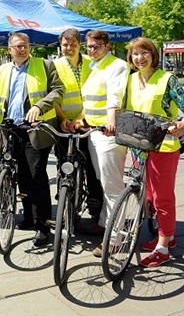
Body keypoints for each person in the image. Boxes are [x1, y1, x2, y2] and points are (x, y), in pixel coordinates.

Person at [0, 32, 64, 247]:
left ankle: (43, 225)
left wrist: (38, 106)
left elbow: (58, 90)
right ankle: (28, 216)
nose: (22, 49)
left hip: (36, 129)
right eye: (17, 46)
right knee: (20, 177)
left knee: (36, 175)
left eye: (25, 45)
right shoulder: (3, 70)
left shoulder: (44, 65)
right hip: (10, 129)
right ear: (9, 50)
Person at [125, 37, 184, 267]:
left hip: (164, 147)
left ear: (153, 54)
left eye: (144, 52)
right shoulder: (130, 80)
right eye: (135, 54)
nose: (139, 58)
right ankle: (168, 236)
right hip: (139, 146)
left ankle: (163, 247)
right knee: (148, 196)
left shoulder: (167, 79)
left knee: (162, 198)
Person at [70, 30, 130, 257]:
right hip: (93, 131)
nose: (91, 50)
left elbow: (114, 96)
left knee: (113, 186)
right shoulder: (93, 66)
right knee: (103, 182)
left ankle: (115, 239)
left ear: (107, 46)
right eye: (89, 47)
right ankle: (105, 223)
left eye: (96, 46)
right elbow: (91, 99)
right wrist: (82, 120)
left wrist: (111, 121)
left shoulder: (116, 66)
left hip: (108, 134)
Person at [52, 29, 103, 225]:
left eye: (72, 44)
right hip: (64, 125)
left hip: (89, 123)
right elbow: (53, 95)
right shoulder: (54, 65)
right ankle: (65, 202)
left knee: (93, 167)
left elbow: (96, 94)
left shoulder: (92, 64)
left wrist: (82, 118)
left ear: (79, 45)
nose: (69, 48)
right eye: (65, 44)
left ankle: (95, 207)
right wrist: (64, 118)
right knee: (64, 166)